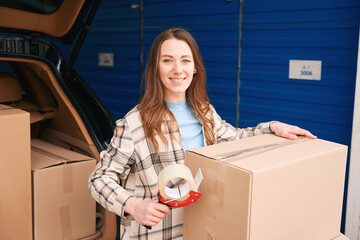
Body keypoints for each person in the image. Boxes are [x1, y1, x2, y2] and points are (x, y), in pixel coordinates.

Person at [88, 28, 316, 240]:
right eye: (167, 60)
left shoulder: (204, 111)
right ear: (155, 67)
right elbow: (99, 179)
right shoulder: (134, 123)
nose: (178, 69)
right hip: (157, 234)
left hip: (201, 228)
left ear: (195, 67)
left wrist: (272, 127)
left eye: (185, 61)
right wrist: (132, 205)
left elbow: (235, 139)